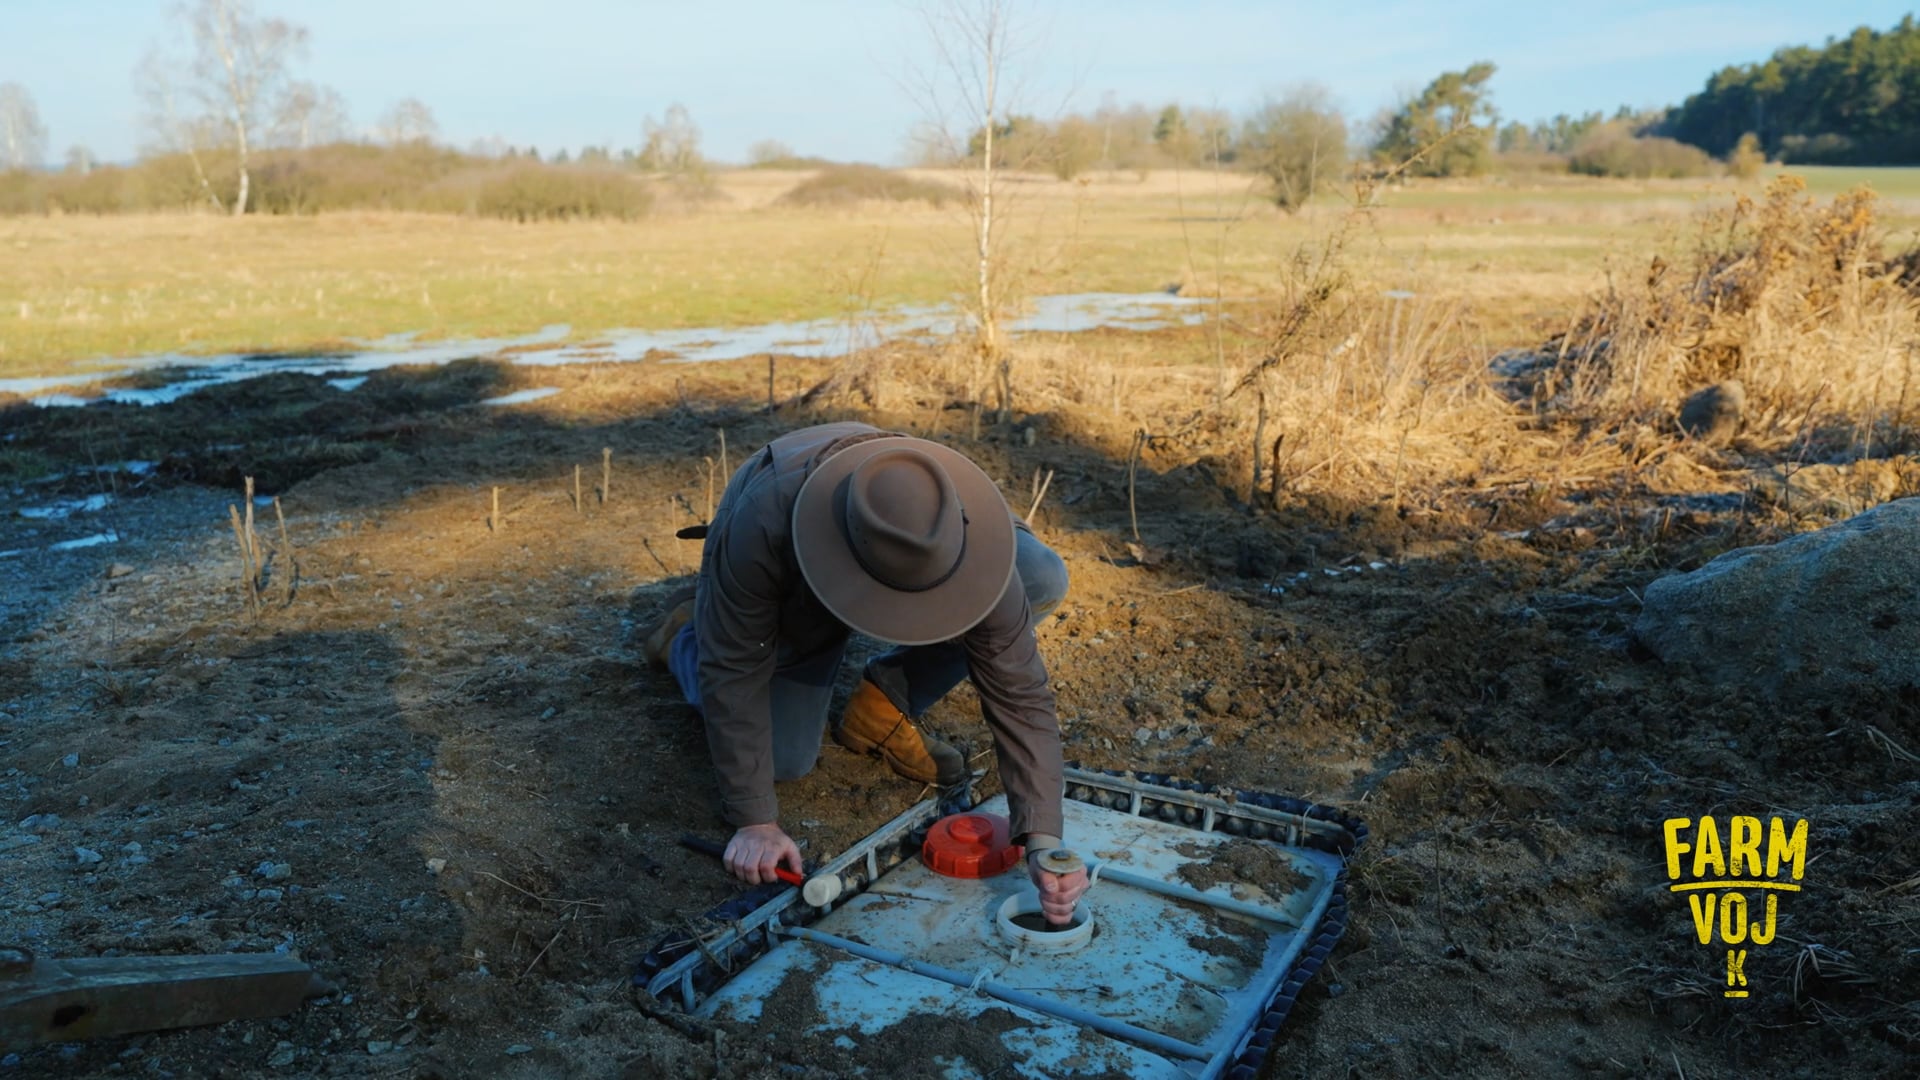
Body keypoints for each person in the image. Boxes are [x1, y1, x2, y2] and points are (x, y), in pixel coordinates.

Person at [643, 421, 1088, 922]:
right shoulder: (762, 523)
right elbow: (733, 670)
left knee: (1037, 574)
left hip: (877, 543)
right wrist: (755, 822)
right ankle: (686, 636)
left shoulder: (960, 538)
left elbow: (1020, 695)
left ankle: (885, 702)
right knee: (779, 759)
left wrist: (1044, 839)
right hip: (797, 570)